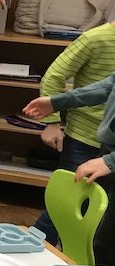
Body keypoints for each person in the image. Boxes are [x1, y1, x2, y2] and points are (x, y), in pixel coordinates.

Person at [29, 16, 115, 246]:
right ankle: (32, 248)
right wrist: (54, 112)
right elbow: (106, 86)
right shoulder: (94, 39)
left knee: (98, 224)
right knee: (67, 206)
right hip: (86, 140)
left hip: (108, 155)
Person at [24, 74, 115, 266]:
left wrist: (110, 161)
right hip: (107, 156)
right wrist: (57, 102)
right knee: (89, 235)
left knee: (105, 247)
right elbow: (108, 86)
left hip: (109, 161)